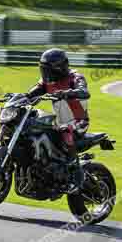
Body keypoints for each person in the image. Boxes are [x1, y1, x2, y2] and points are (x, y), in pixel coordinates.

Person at [25, 48, 90, 194]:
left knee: (66, 130)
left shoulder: (75, 77)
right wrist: (21, 97)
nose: (45, 73)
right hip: (59, 122)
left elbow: (84, 92)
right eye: (43, 69)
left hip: (78, 122)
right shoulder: (46, 81)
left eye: (47, 70)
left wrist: (68, 93)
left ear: (59, 68)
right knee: (35, 124)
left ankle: (76, 174)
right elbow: (33, 93)